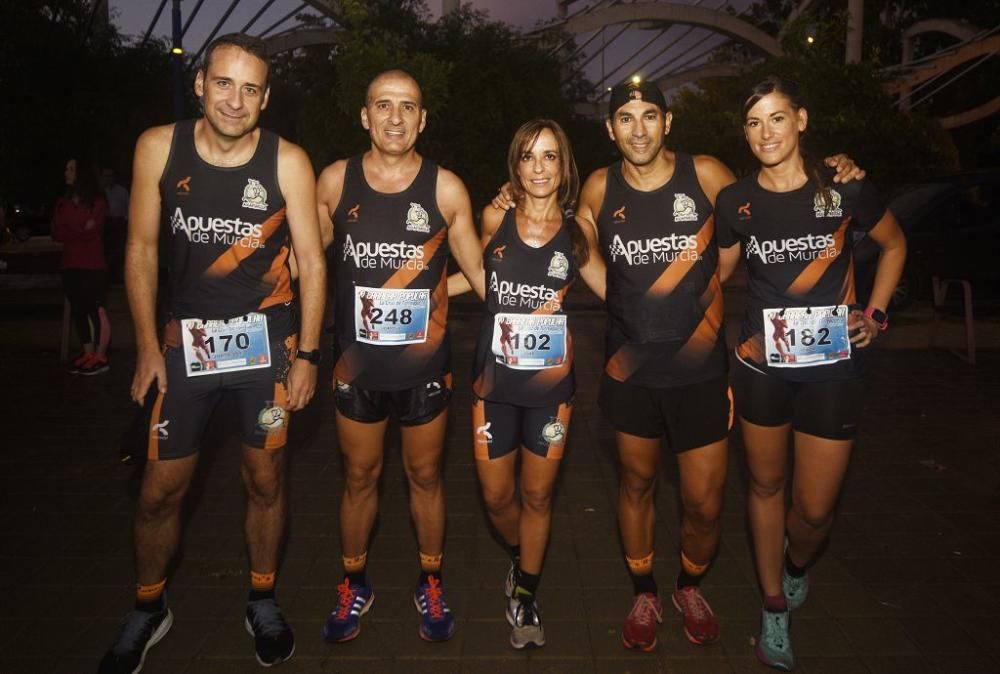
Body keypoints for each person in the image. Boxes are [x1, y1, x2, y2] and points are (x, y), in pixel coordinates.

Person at [492, 78, 862, 652]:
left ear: (667, 122)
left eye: (649, 116)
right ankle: (644, 590)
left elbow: (748, 223)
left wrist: (835, 169)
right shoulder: (596, 186)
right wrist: (514, 202)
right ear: (610, 128)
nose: (637, 129)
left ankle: (689, 585)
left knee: (704, 503)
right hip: (629, 372)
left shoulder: (709, 174)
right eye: (625, 118)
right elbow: (572, 241)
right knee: (636, 483)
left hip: (701, 374)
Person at [98, 33, 326, 673]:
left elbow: (311, 259)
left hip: (266, 346)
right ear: (199, 83)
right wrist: (145, 347)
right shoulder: (157, 148)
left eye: (250, 88)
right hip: (185, 345)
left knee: (266, 479)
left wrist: (308, 353)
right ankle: (149, 606)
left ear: (266, 98)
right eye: (224, 83)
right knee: (158, 491)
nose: (235, 99)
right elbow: (142, 250)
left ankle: (262, 597)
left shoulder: (289, 162)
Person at [715, 75, 905, 671]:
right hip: (759, 365)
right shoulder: (735, 201)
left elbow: (895, 245)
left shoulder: (842, 185)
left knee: (816, 510)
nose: (765, 133)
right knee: (766, 488)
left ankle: (797, 566)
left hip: (833, 366)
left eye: (776, 118)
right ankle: (773, 603)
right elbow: (712, 276)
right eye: (752, 122)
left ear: (801, 119)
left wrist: (875, 315)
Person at [316, 69, 485, 644]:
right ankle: (352, 582)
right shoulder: (335, 182)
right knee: (360, 477)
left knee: (425, 477)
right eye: (383, 106)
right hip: (355, 368)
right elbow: (307, 267)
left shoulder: (446, 189)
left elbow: (481, 273)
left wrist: (535, 306)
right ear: (364, 116)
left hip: (425, 369)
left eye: (407, 107)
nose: (395, 118)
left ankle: (431, 581)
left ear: (422, 118)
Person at [456, 119, 606, 648]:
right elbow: (475, 276)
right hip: (491, 383)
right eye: (528, 157)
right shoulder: (495, 214)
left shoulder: (579, 233)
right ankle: (522, 555)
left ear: (564, 166)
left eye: (549, 157)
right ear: (515, 166)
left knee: (538, 498)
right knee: (498, 499)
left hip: (552, 391)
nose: (539, 168)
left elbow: (615, 288)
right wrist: (418, 289)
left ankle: (526, 592)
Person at [51, 156, 111, 375]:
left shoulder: (97, 202)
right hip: (70, 264)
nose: (66, 173)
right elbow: (57, 231)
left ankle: (100, 355)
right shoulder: (63, 202)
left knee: (94, 309)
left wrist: (72, 227)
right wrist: (79, 226)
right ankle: (87, 352)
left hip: (92, 265)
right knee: (79, 310)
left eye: (71, 169)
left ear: (81, 174)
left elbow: (90, 231)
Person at [102, 167, 130, 284]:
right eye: (106, 176)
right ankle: (107, 277)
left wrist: (125, 222)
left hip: (119, 224)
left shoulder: (122, 191)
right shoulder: (101, 192)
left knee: (119, 250)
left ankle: (119, 277)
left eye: (110, 176)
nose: (108, 178)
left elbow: (128, 208)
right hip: (105, 225)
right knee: (107, 251)